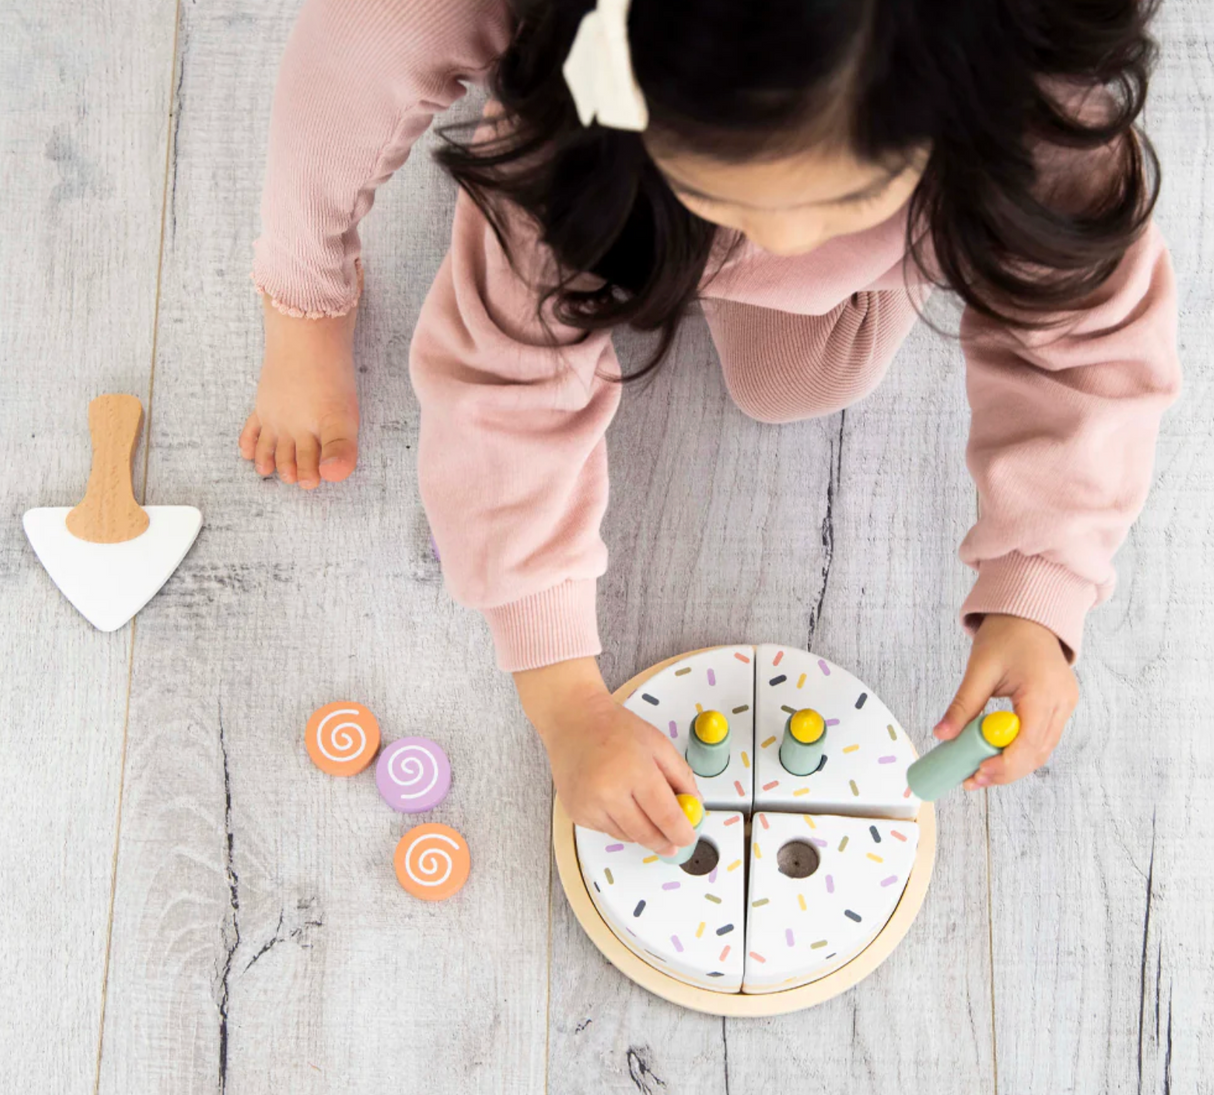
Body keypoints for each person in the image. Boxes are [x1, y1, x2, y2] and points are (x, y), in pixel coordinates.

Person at [243, 0, 1180, 856]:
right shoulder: (567, 126)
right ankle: (305, 291)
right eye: (728, 195)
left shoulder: (1043, 125)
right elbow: (503, 393)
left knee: (797, 377)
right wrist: (565, 699)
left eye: (844, 199)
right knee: (371, 46)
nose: (783, 244)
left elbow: (1091, 350)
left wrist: (1039, 593)